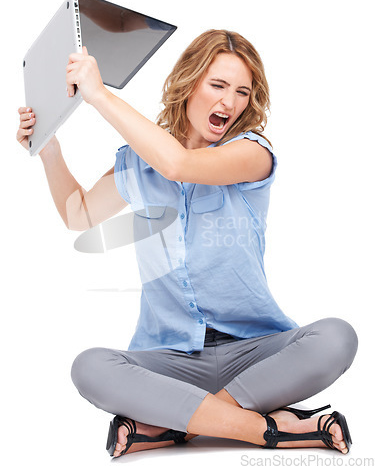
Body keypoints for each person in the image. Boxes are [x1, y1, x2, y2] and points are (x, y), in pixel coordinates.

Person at [17, 29, 358, 458]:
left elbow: (179, 164)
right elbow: (77, 213)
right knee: (90, 367)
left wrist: (99, 95)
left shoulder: (253, 152)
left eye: (241, 92)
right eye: (217, 85)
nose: (229, 103)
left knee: (337, 337)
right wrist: (47, 147)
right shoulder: (139, 164)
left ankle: (173, 425)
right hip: (170, 361)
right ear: (188, 82)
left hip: (253, 358)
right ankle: (269, 429)